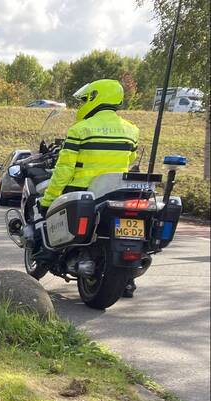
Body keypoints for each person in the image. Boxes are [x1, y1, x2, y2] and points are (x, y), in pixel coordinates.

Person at [38, 79, 140, 296]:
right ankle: (127, 279)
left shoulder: (80, 130)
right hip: (116, 194)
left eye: (84, 100)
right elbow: (129, 160)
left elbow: (63, 170)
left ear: (95, 98)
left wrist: (48, 201)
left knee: (48, 226)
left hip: (81, 193)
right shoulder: (132, 131)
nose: (81, 104)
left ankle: (46, 257)